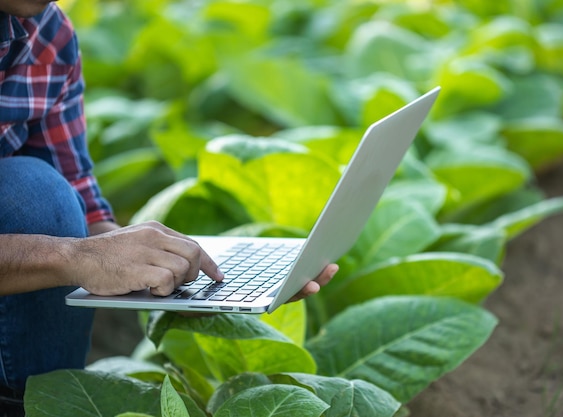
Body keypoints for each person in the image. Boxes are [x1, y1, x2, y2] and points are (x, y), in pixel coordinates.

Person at [0, 1, 338, 415]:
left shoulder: (49, 35)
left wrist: (184, 274)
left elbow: (83, 215)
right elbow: (72, 242)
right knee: (35, 192)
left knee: (42, 195)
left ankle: (34, 403)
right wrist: (72, 257)